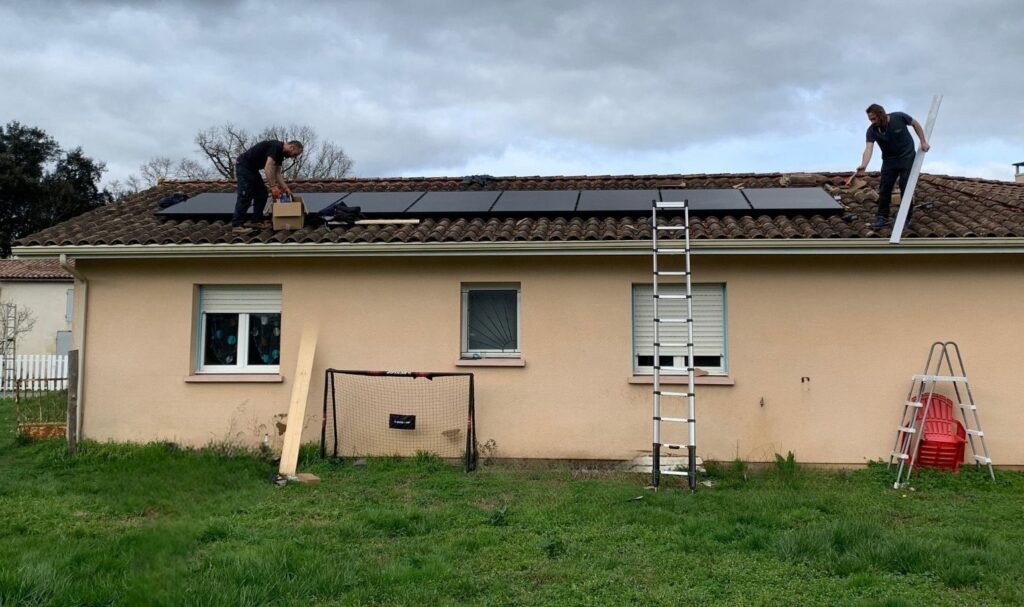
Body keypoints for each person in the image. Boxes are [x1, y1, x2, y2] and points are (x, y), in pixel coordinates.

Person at [855, 104, 930, 229]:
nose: (872, 122)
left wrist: (923, 141)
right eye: (870, 120)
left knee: (905, 186)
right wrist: (863, 165)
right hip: (889, 161)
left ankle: (905, 217)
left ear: (881, 115)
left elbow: (915, 124)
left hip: (907, 157)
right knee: (885, 187)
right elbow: (868, 148)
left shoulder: (899, 117)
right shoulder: (872, 131)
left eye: (874, 119)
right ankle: (882, 217)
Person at [232, 139, 304, 232]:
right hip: (244, 166)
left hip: (252, 169)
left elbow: (277, 173)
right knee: (245, 194)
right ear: (291, 147)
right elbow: (268, 167)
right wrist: (273, 187)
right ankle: (237, 225)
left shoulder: (280, 155)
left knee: (262, 194)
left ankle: (256, 221)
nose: (293, 157)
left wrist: (286, 188)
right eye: (294, 154)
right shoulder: (276, 147)